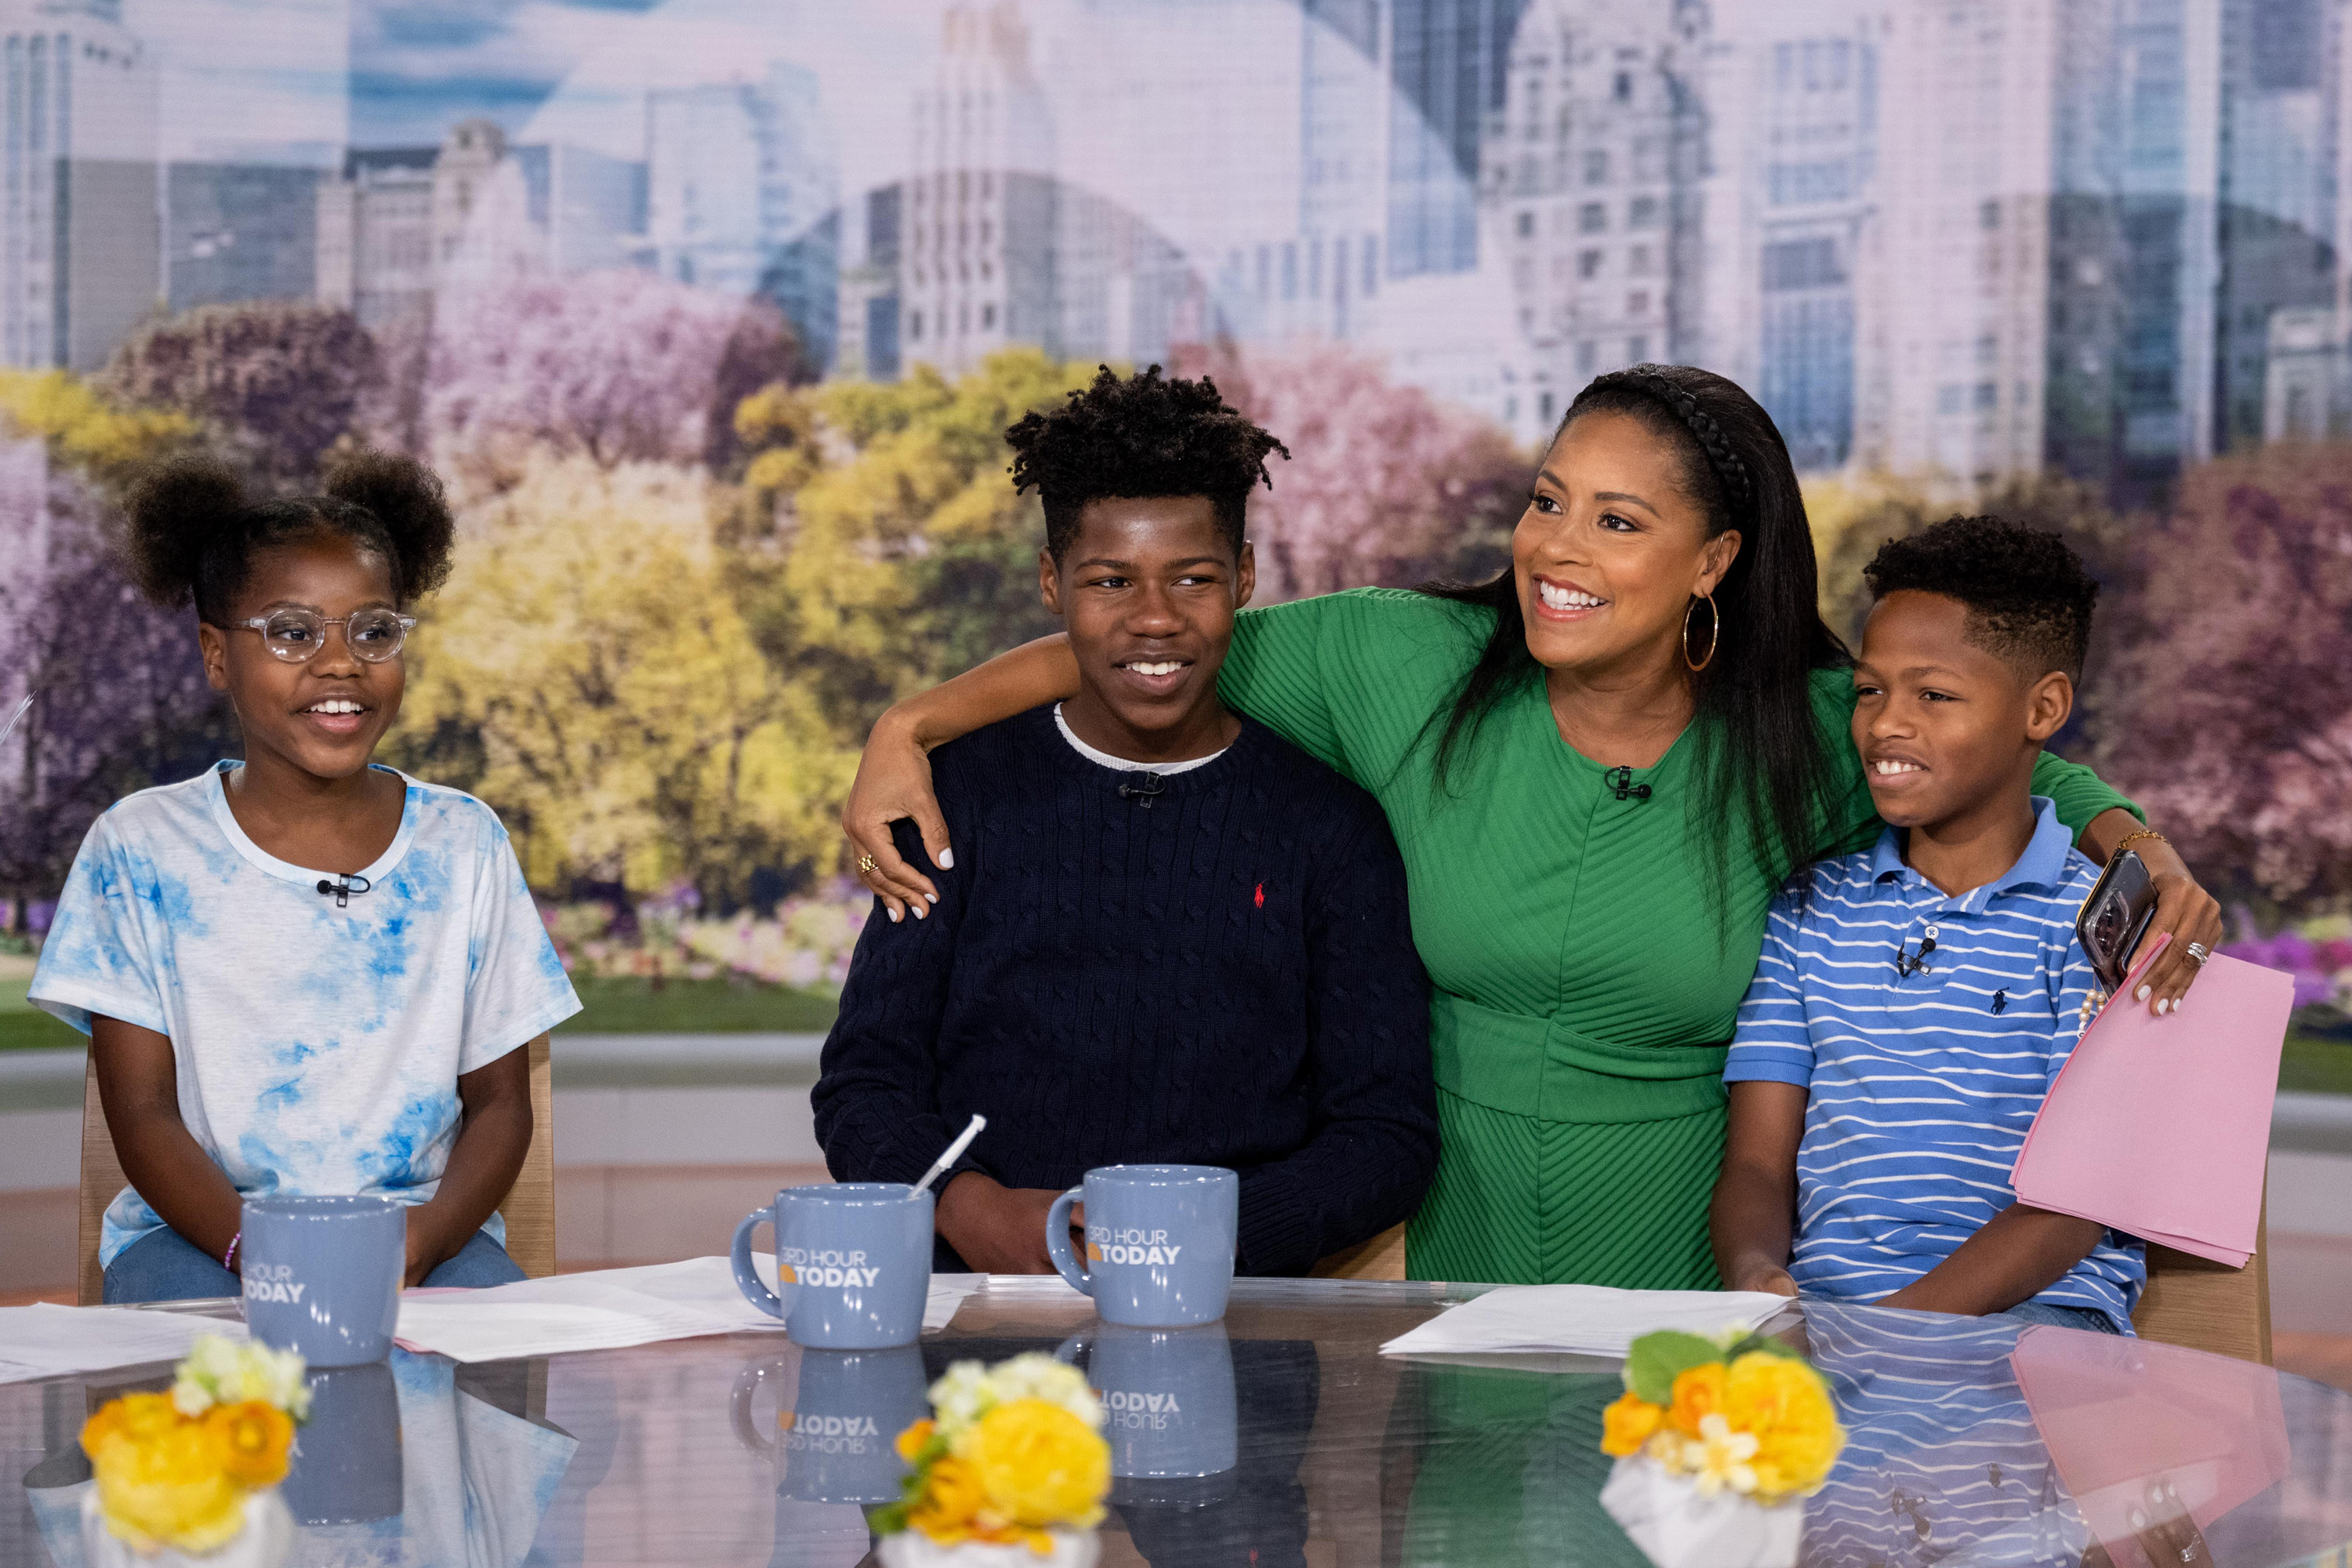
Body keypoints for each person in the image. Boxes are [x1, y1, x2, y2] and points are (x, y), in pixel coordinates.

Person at [837, 363, 2224, 1290]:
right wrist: (912, 724)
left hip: (1693, 1277)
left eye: (1618, 521)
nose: (1557, 547)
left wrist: (2140, 849)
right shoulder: (1402, 662)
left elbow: (2020, 769)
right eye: (1548, 500)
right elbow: (1150, 639)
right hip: (1444, 1267)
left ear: (1714, 562)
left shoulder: (1808, 732)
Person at [811, 365, 1439, 1276]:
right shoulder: (955, 802)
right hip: (981, 1306)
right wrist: (966, 1205)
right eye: (1111, 581)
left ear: (1245, 577)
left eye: (1193, 579)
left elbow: (1384, 1134)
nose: (1155, 619)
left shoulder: (1329, 831)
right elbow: (864, 1084)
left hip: (1233, 1310)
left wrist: (1208, 1233)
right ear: (1051, 582)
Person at [28, 454, 581, 1303]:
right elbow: (141, 1115)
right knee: (198, 1379)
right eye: (292, 632)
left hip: (421, 1236)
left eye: (373, 631)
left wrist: (428, 1238)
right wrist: (268, 1253)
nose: (341, 662)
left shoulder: (464, 842)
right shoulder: (139, 849)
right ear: (217, 654)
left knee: (494, 1372)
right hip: (206, 1240)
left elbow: (503, 1105)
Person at [1709, 517, 2146, 1331]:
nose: (1885, 724)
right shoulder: (1811, 909)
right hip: (1833, 1328)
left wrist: (1888, 1337)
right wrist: (1755, 1272)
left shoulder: (2099, 929)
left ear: (2043, 707)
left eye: (1933, 695)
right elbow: (1758, 1163)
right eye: (1869, 690)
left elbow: (2076, 1205)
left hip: (2035, 1326)